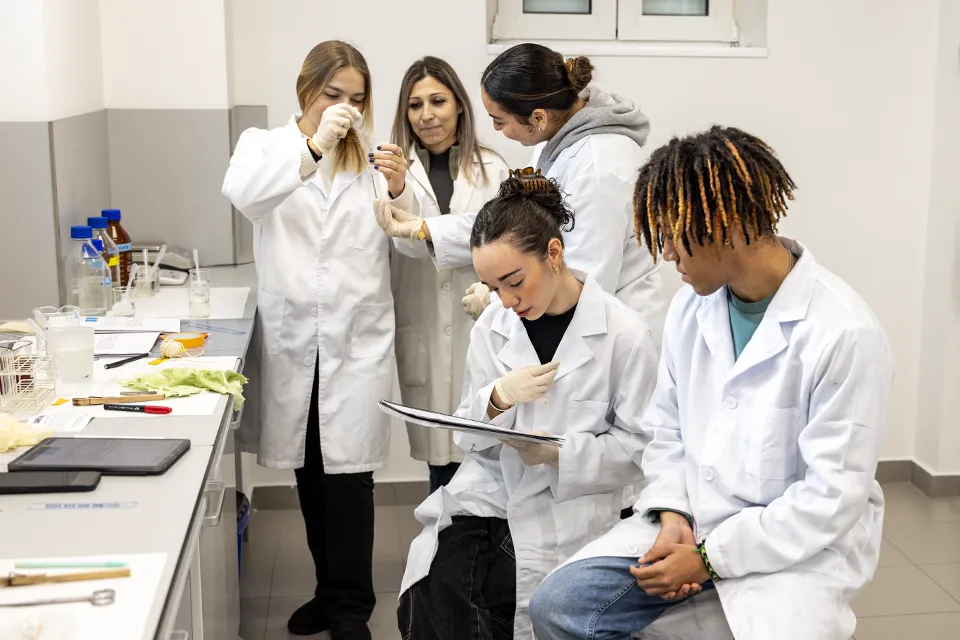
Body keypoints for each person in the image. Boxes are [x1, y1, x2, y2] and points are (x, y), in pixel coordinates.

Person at [528, 126, 893, 640]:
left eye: (673, 236)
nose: (667, 254)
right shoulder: (690, 309)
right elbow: (667, 431)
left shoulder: (842, 331)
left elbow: (832, 497)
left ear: (725, 225)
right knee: (559, 606)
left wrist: (708, 559)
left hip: (794, 551)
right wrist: (674, 512)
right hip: (692, 522)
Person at [396, 172, 660, 640]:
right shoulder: (494, 325)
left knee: (511, 600)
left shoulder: (624, 334)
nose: (506, 301)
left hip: (575, 502)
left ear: (553, 254)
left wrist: (559, 453)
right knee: (434, 589)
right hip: (494, 491)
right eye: (492, 287)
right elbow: (467, 435)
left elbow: (641, 450)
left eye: (514, 282)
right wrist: (496, 400)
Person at [222, 41, 414, 640]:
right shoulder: (262, 145)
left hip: (356, 342)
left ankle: (352, 608)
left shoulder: (377, 158)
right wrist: (311, 148)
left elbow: (412, 240)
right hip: (292, 340)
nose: (347, 109)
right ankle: (328, 592)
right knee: (308, 472)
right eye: (334, 96)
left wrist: (404, 188)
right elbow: (246, 196)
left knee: (350, 478)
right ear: (306, 91)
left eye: (357, 98)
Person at [375, 43, 665, 343]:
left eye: (499, 121)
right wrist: (424, 227)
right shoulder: (555, 140)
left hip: (609, 338)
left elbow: (586, 281)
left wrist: (498, 300)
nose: (497, 130)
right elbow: (516, 225)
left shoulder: (598, 166)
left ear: (537, 118)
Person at [384, 56, 510, 492]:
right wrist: (399, 190)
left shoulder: (495, 170)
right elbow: (405, 243)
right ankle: (444, 555)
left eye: (437, 101)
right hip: (422, 328)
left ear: (459, 104)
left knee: (490, 459)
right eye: (415, 105)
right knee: (441, 466)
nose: (427, 115)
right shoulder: (394, 175)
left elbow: (504, 244)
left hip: (480, 323)